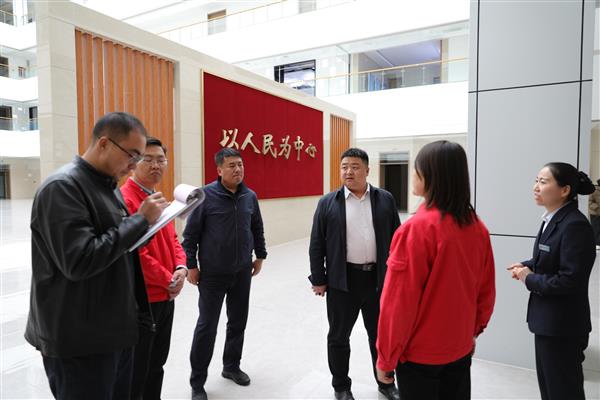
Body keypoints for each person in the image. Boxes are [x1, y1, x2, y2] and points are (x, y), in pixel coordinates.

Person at [25, 112, 168, 400]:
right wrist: (139, 220)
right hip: (80, 340)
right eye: (132, 155)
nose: (134, 165)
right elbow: (79, 260)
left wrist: (147, 226)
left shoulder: (107, 186)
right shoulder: (62, 187)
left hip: (114, 331)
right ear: (104, 143)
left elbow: (116, 244)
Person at [376, 140, 496, 400]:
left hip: (420, 356)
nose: (414, 174)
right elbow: (485, 292)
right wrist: (472, 332)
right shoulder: (477, 227)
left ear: (431, 176)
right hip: (460, 348)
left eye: (418, 169)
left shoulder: (416, 230)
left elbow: (398, 304)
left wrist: (386, 357)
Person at [309, 148, 401, 400]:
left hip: (379, 279)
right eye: (344, 167)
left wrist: (398, 277)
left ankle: (385, 382)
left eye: (355, 167)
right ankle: (341, 387)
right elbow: (316, 243)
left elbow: (398, 239)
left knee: (381, 336)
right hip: (343, 280)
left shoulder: (385, 199)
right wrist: (319, 278)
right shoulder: (328, 203)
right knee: (339, 337)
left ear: (367, 170)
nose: (348, 172)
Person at [182, 147, 267, 400]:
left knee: (238, 322)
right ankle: (197, 382)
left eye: (240, 164)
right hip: (212, 275)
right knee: (207, 327)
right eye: (231, 165)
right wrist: (191, 265)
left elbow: (257, 227)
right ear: (219, 170)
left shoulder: (249, 196)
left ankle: (231, 366)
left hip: (242, 272)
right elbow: (190, 236)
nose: (237, 169)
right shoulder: (204, 196)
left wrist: (260, 255)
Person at [508, 162, 596, 400]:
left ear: (564, 190)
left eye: (543, 182)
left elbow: (570, 280)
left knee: (563, 392)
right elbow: (549, 259)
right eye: (536, 180)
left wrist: (529, 278)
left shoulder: (575, 225)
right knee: (550, 390)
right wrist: (527, 265)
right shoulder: (552, 218)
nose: (535, 187)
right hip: (548, 323)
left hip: (563, 327)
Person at [120, 137, 188, 400]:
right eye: (147, 159)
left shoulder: (157, 198)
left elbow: (173, 239)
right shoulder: (126, 199)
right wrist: (168, 279)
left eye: (161, 160)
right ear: (134, 162)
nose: (155, 165)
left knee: (157, 363)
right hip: (144, 299)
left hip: (166, 295)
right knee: (138, 369)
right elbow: (136, 253)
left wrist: (181, 267)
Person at [589, 179, 600, 245]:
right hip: (595, 214)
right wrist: (597, 208)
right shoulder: (594, 190)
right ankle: (596, 244)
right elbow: (590, 202)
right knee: (596, 229)